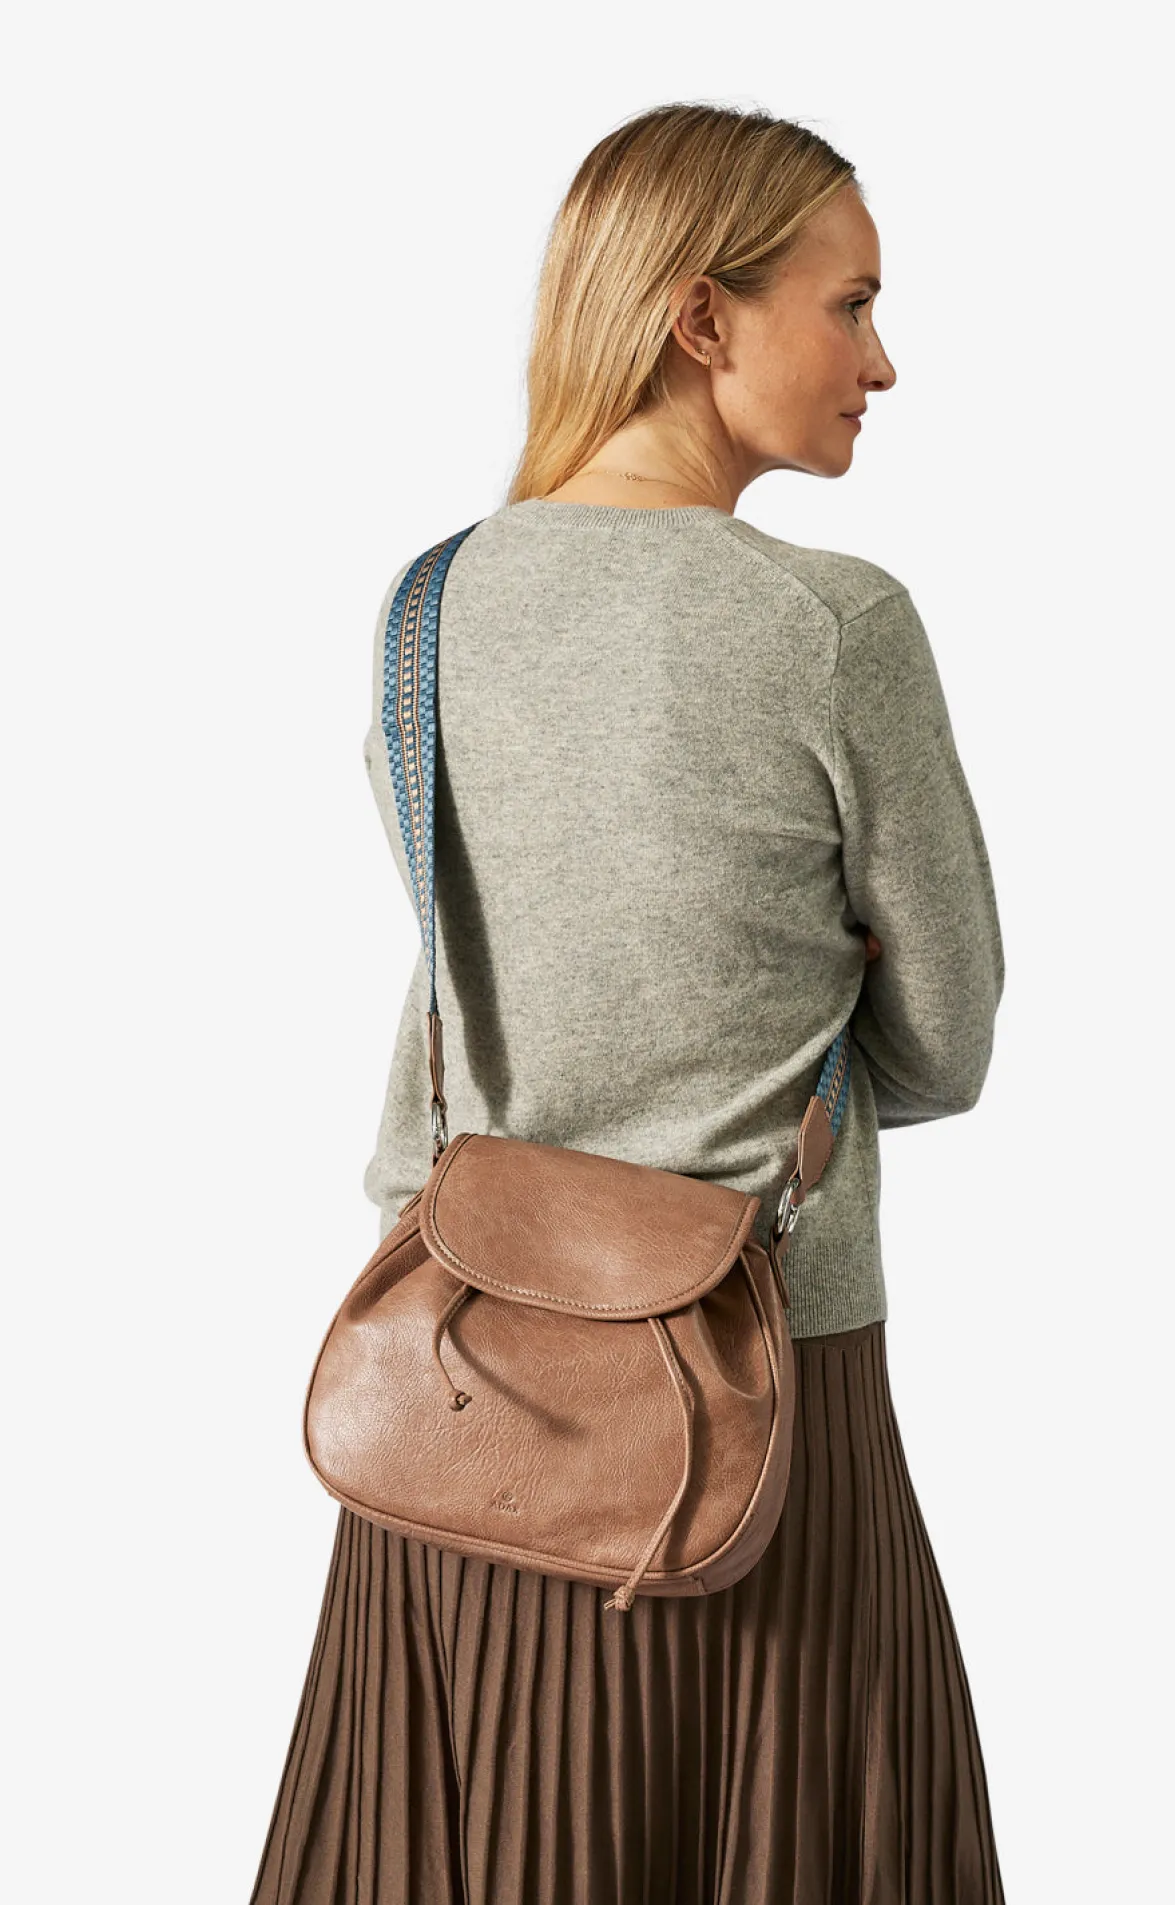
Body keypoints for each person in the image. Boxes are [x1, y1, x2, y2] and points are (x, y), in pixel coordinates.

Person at [249, 101, 1009, 1905]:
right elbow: (944, 1041)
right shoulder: (832, 625)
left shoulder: (430, 610)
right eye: (851, 304)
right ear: (699, 317)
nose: (882, 362)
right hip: (763, 1378)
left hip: (464, 1382)